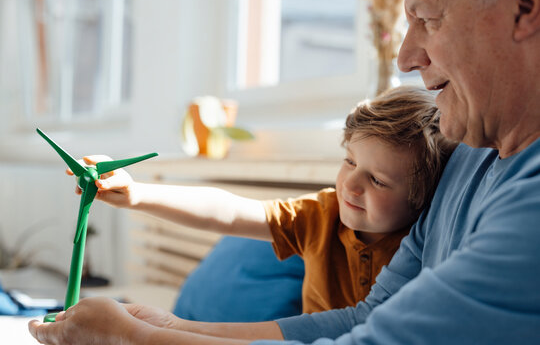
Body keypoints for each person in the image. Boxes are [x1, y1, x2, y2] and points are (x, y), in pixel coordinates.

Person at [28, 0, 540, 344]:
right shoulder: (465, 158)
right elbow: (364, 321)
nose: (404, 58)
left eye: (428, 19)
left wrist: (137, 341)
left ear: (525, 4)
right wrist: (168, 327)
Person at [70, 86, 455, 316]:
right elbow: (228, 212)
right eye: (349, 161)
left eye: (377, 179)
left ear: (420, 198)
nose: (350, 185)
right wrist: (139, 194)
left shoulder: (428, 245)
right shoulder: (320, 215)